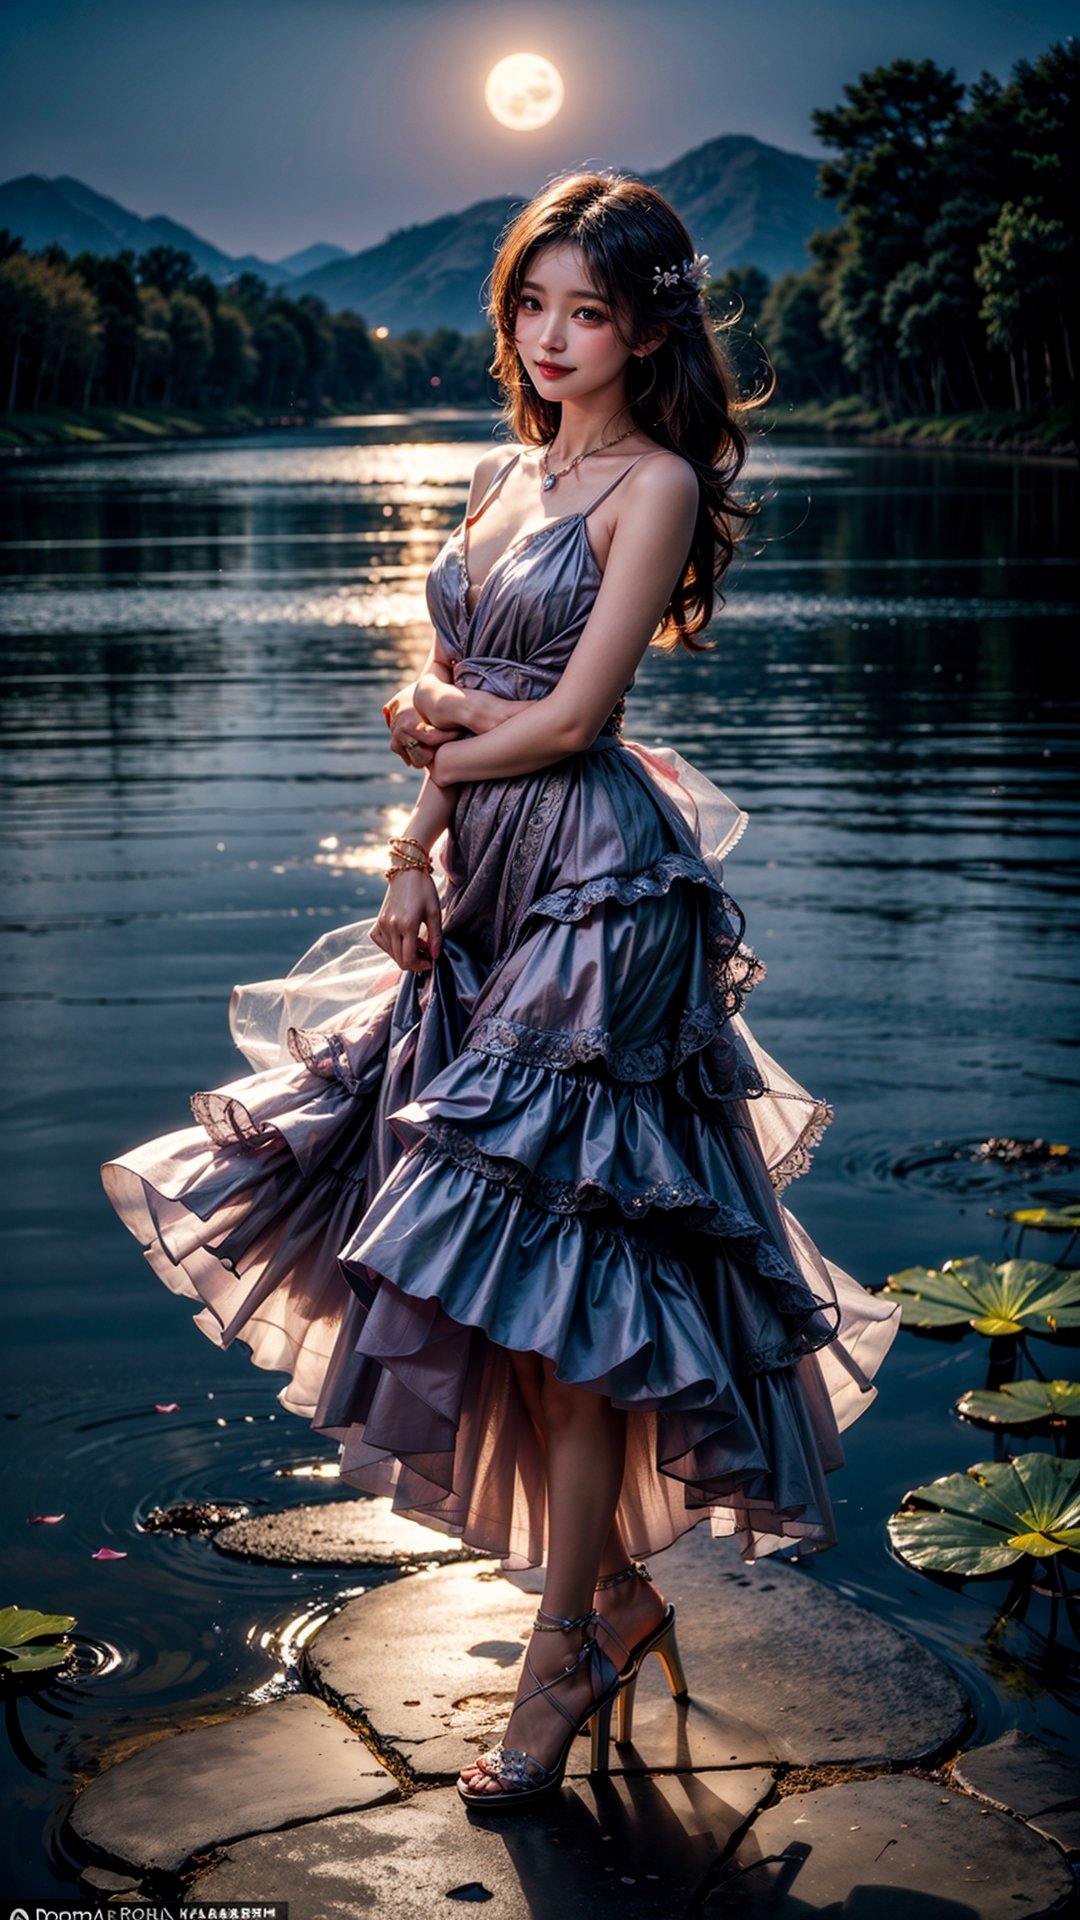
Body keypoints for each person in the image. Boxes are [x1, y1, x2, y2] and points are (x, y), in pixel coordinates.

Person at [100, 170, 900, 1813]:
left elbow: (577, 720)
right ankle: (608, 1599)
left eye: (585, 312)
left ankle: (562, 1656)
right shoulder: (500, 473)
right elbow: (475, 698)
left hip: (604, 894)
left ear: (645, 324)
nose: (549, 340)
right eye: (529, 305)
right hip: (482, 882)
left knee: (585, 1286)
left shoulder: (656, 482)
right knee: (497, 1271)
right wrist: (411, 853)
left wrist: (436, 723)